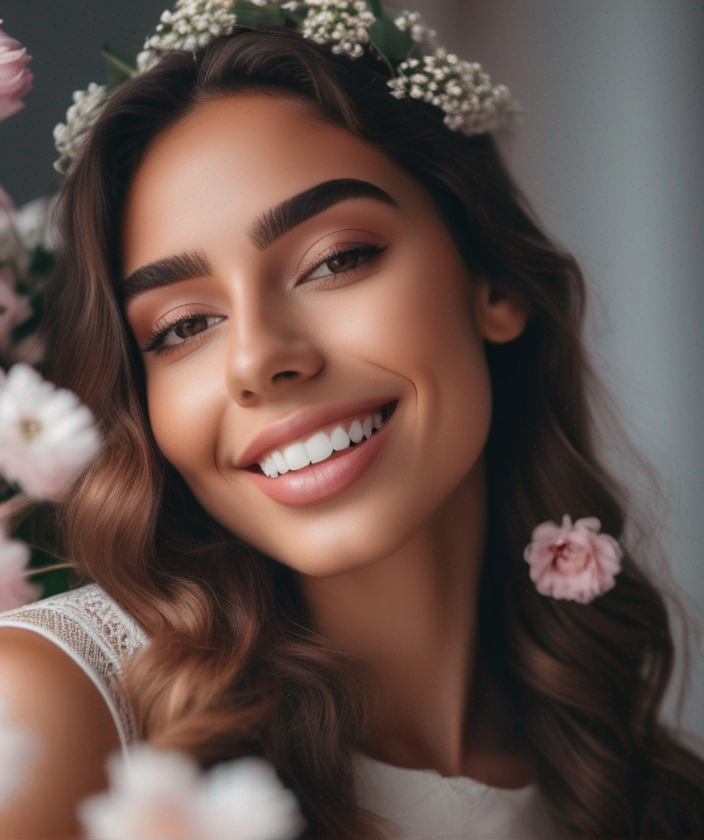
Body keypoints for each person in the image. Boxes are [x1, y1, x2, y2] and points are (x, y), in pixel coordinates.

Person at [0, 10, 703, 840]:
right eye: (183, 326)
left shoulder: (644, 792)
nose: (259, 359)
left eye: (335, 260)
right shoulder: (53, 708)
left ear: (494, 283)